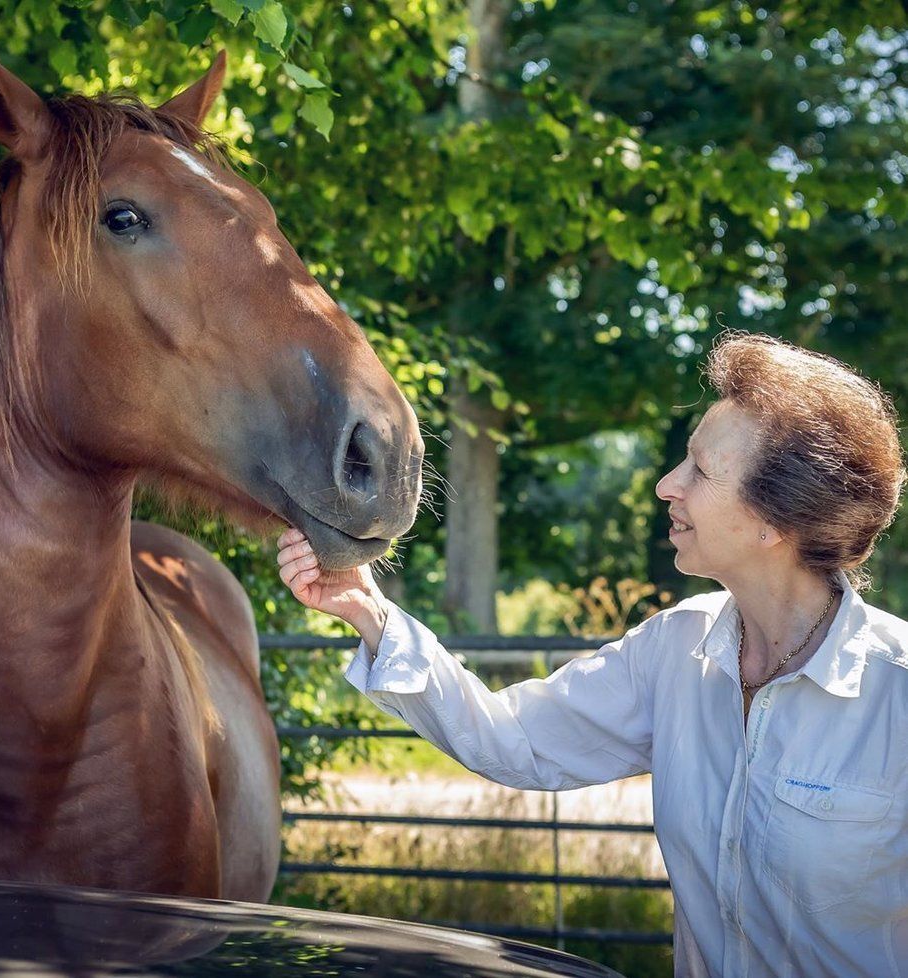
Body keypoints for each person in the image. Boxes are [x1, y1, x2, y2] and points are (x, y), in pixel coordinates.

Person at [277, 332, 908, 978]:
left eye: (701, 472)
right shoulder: (674, 651)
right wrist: (367, 610)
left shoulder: (897, 697)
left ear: (776, 523)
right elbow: (512, 739)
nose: (668, 485)